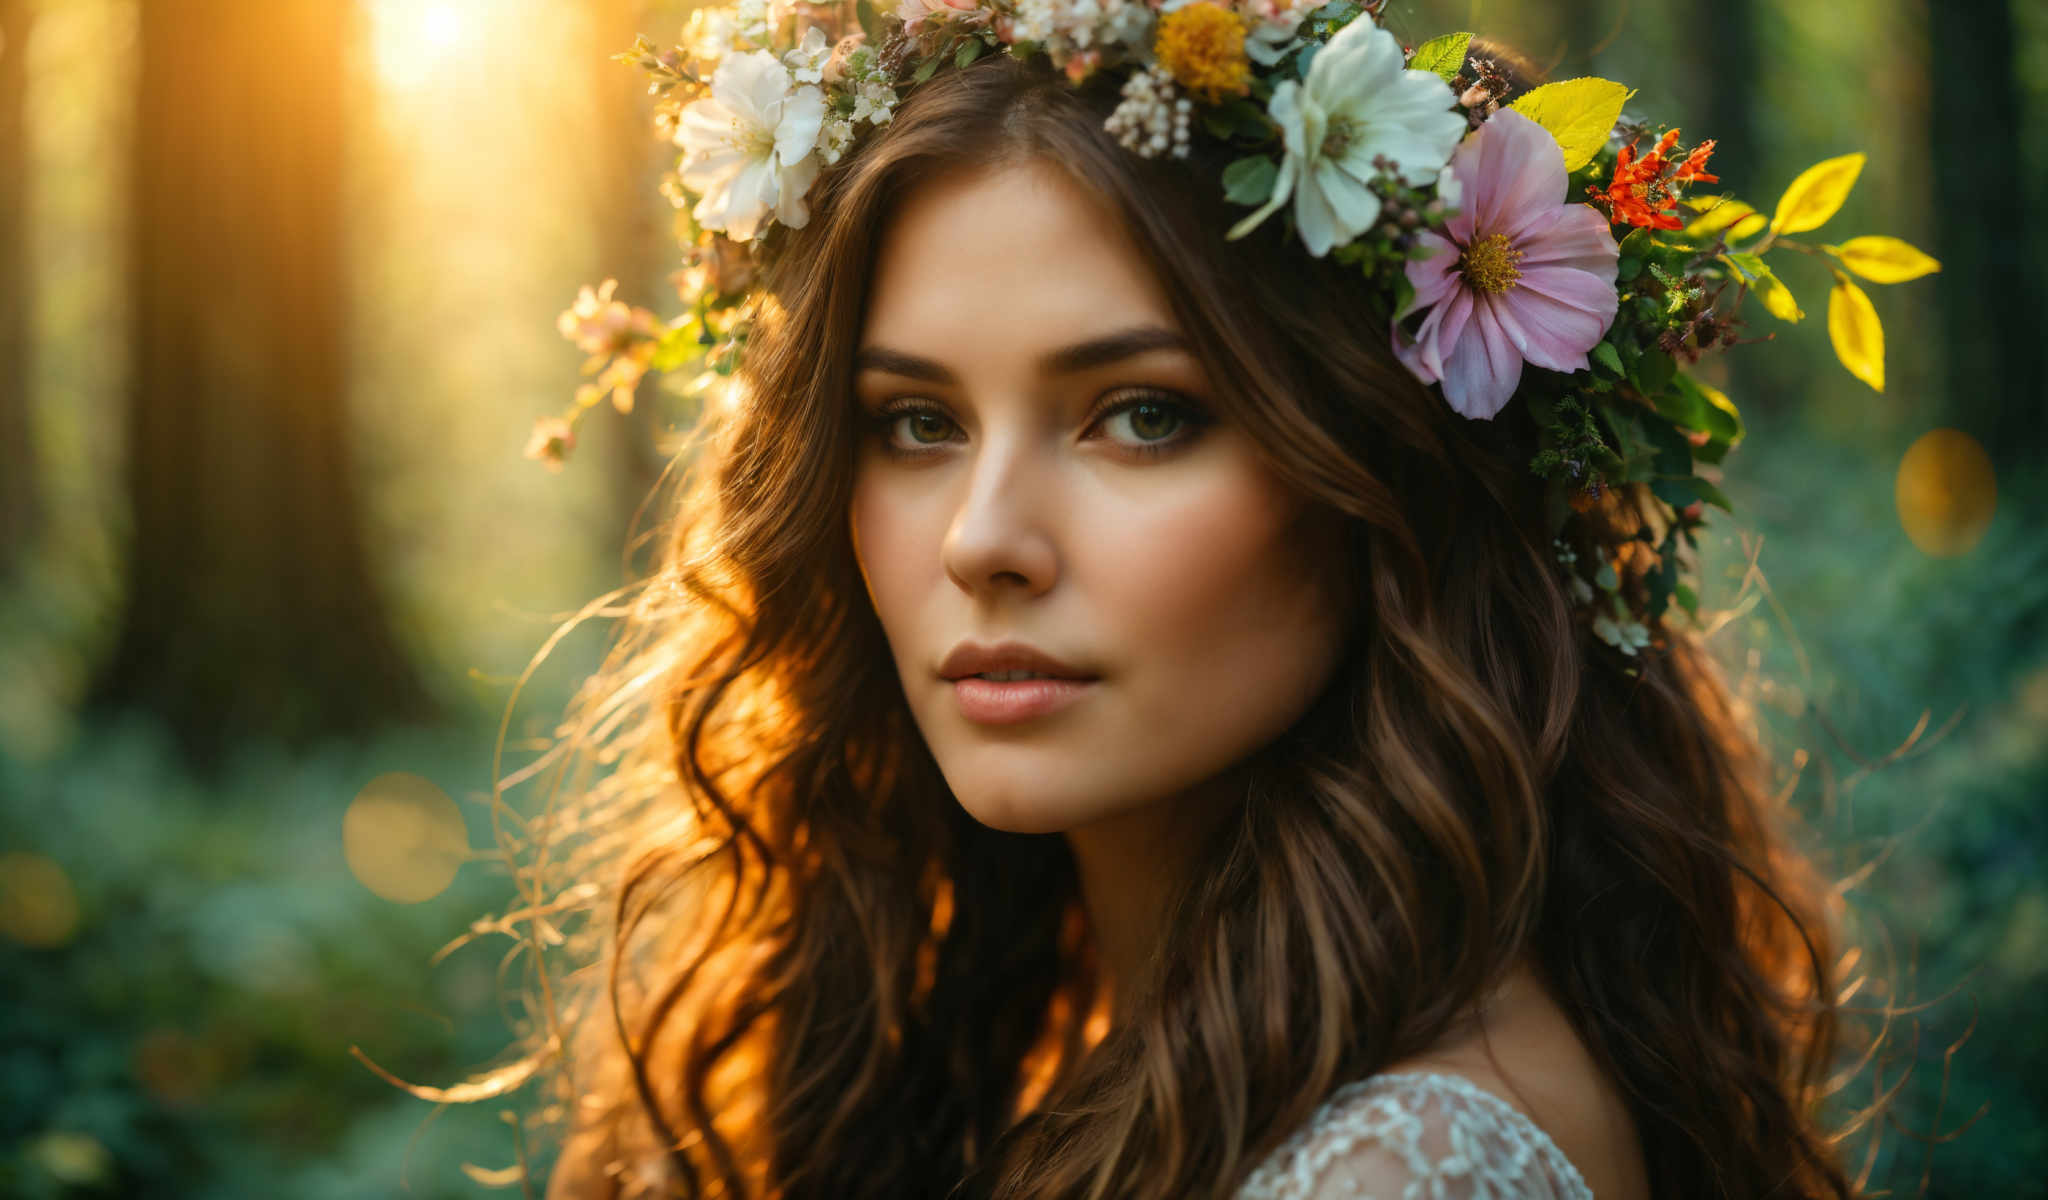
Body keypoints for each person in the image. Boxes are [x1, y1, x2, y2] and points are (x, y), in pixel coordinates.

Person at [499, 11, 1895, 1199]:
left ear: (1380, 478)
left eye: (1144, 416)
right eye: (916, 423)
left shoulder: (1403, 1169)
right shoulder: (1104, 1037)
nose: (985, 541)